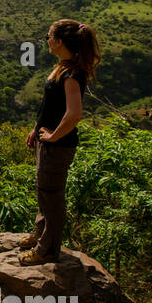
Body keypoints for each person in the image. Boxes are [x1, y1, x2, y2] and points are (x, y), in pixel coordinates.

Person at [18, 19, 101, 266]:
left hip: (58, 146)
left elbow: (74, 113)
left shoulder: (72, 74)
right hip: (49, 142)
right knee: (44, 192)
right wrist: (36, 129)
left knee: (52, 197)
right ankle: (40, 234)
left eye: (49, 37)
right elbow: (51, 107)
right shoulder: (62, 67)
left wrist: (54, 136)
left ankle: (47, 250)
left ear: (59, 41)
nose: (47, 41)